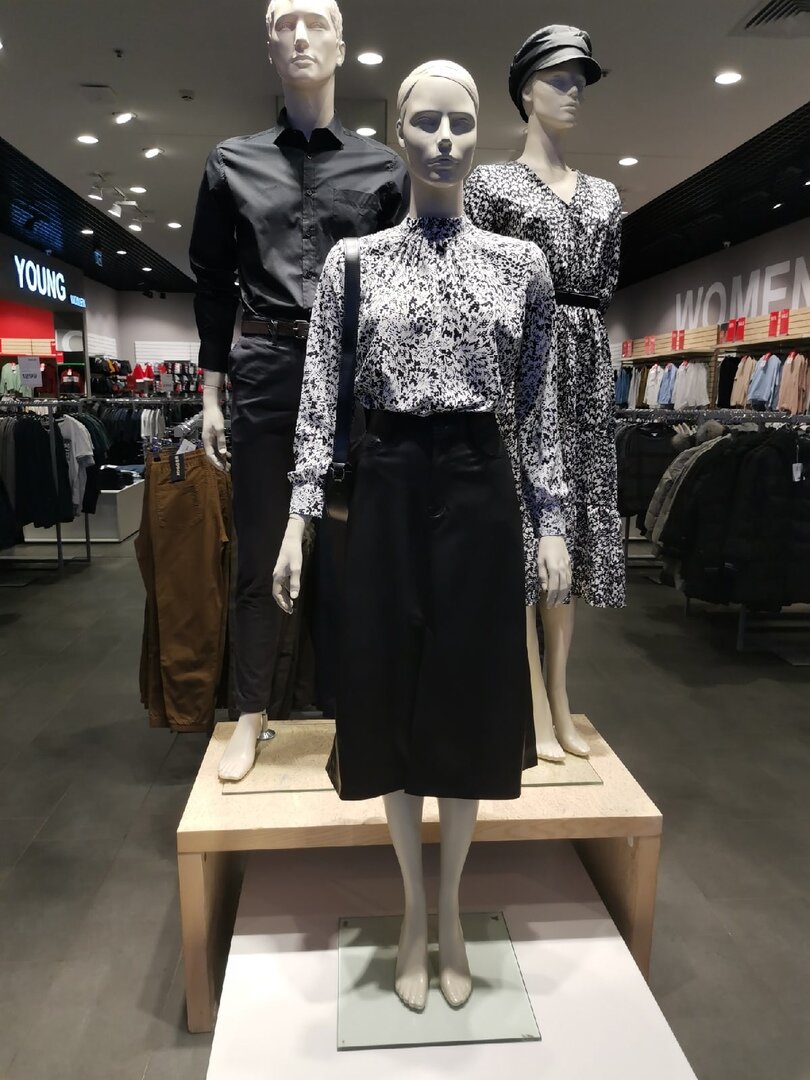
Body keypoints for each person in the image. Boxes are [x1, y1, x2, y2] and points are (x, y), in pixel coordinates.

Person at [273, 60, 570, 1012]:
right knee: (393, 690)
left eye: (461, 123)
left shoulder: (521, 265)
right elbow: (321, 396)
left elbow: (539, 405)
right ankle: (412, 910)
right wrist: (298, 515)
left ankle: (453, 913)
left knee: (469, 697)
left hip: (482, 483)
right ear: (399, 133)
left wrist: (553, 517)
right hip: (390, 479)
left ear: (480, 134)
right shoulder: (355, 265)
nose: (445, 140)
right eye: (426, 122)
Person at [189, 0, 409, 781]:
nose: (302, 35)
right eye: (286, 24)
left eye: (316, 22)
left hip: (353, 377)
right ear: (270, 47)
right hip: (267, 366)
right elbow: (212, 281)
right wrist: (211, 393)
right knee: (257, 547)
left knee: (354, 547)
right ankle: (251, 712)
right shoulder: (231, 163)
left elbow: (399, 289)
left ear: (342, 45)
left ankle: (354, 707)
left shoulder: (385, 169)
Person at [465, 25, 625, 762]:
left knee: (576, 529)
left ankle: (560, 697)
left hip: (585, 367)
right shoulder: (489, 186)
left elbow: (606, 281)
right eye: (559, 79)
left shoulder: (605, 194)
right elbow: (479, 285)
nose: (574, 92)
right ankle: (528, 697)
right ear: (525, 91)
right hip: (521, 367)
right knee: (527, 527)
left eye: (580, 80)